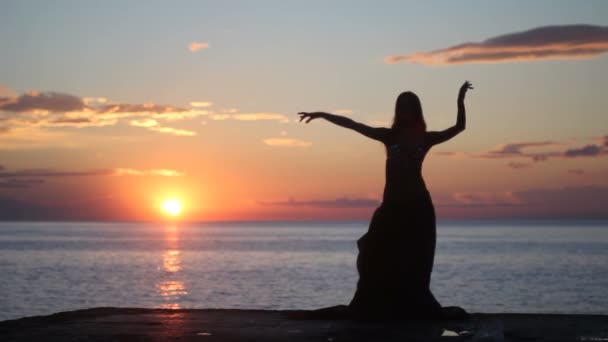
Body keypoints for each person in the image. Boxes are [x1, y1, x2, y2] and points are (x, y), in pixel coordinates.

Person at [298, 81, 473, 319]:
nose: (405, 111)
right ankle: (380, 302)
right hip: (393, 205)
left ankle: (408, 304)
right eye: (401, 106)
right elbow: (353, 124)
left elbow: (459, 127)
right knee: (374, 250)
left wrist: (460, 100)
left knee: (414, 258)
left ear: (416, 110)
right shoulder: (389, 136)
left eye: (409, 107)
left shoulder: (425, 138)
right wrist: (321, 115)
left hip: (418, 206)